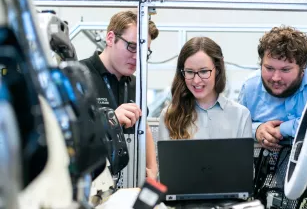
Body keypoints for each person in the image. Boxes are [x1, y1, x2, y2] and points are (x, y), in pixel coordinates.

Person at [80, 10, 159, 179]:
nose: (137, 57)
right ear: (110, 38)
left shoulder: (136, 85)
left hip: (128, 185)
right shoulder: (79, 76)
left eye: (144, 52)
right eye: (132, 47)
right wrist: (110, 120)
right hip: (91, 184)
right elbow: (68, 136)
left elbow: (144, 127)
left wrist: (152, 170)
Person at [158, 37, 252, 140]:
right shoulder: (169, 115)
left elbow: (243, 156)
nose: (196, 81)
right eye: (189, 72)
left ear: (217, 70)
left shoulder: (241, 115)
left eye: (203, 71)